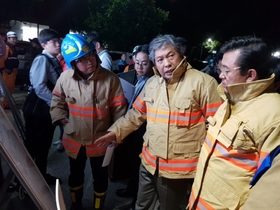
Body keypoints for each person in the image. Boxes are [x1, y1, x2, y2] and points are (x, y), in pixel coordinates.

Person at [95, 34, 222, 210]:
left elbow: (217, 127)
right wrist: (115, 132)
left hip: (177, 170)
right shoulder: (152, 83)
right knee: (142, 205)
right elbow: (136, 114)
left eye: (171, 56)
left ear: (180, 55)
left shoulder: (203, 83)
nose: (166, 63)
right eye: (160, 59)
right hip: (148, 162)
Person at [188, 36, 280, 210]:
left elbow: (269, 197)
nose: (220, 75)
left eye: (227, 70)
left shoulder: (274, 115)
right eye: (220, 68)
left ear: (250, 75)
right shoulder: (229, 102)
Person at [50, 33, 127, 210]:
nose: (90, 61)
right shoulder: (65, 78)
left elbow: (119, 111)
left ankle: (98, 207)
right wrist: (60, 117)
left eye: (91, 55)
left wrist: (115, 136)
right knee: (75, 175)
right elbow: (56, 100)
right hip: (74, 140)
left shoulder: (111, 79)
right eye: (82, 59)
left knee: (100, 178)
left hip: (101, 142)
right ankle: (75, 205)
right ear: (73, 63)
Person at [114, 44, 154, 209]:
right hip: (133, 127)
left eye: (144, 63)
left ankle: (136, 199)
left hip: (142, 131)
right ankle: (132, 190)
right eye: (136, 62)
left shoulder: (153, 83)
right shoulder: (139, 79)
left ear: (152, 64)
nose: (139, 66)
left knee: (139, 168)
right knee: (133, 165)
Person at [23, 28, 62, 185]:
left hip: (44, 109)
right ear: (44, 45)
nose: (58, 44)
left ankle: (40, 176)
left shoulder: (52, 59)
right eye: (54, 42)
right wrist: (55, 104)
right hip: (38, 109)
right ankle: (27, 181)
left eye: (59, 41)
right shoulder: (42, 60)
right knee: (35, 145)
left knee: (44, 145)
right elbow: (39, 87)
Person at [2, 31, 19, 108]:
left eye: (15, 39)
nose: (15, 40)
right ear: (8, 38)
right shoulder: (6, 47)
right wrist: (4, 69)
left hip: (12, 71)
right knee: (7, 88)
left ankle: (8, 103)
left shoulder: (12, 47)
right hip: (7, 72)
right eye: (13, 39)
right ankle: (6, 104)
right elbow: (2, 60)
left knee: (11, 88)